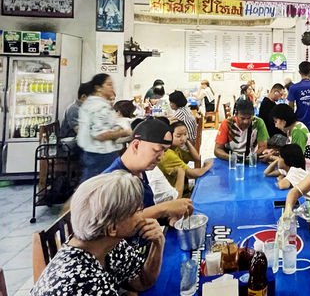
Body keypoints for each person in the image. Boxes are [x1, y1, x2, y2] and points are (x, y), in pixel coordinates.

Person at [31, 171, 165, 296]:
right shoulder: (83, 283)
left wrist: (158, 243)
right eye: (137, 210)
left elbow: (141, 282)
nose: (142, 216)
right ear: (112, 228)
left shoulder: (110, 244)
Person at [103, 118, 194, 223]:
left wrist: (167, 218)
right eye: (157, 150)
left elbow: (144, 212)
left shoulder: (141, 171)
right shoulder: (112, 182)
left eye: (165, 151)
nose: (161, 157)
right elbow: (117, 224)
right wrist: (163, 208)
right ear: (136, 145)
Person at [77, 74, 132, 182]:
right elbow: (100, 135)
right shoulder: (99, 106)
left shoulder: (92, 103)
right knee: (102, 185)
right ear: (98, 88)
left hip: (94, 152)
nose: (112, 88)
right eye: (109, 85)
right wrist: (124, 132)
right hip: (101, 154)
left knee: (93, 185)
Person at [157, 121, 212, 197]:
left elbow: (196, 158)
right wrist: (207, 166)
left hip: (184, 191)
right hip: (175, 197)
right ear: (169, 136)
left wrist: (187, 142)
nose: (182, 139)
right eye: (178, 136)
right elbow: (192, 174)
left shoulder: (176, 148)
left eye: (185, 134)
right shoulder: (168, 154)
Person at [271, 103, 310, 172]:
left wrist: (272, 158)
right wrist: (276, 153)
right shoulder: (290, 130)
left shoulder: (298, 131)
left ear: (283, 121)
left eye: (276, 121)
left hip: (307, 171)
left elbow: (295, 160)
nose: (276, 125)